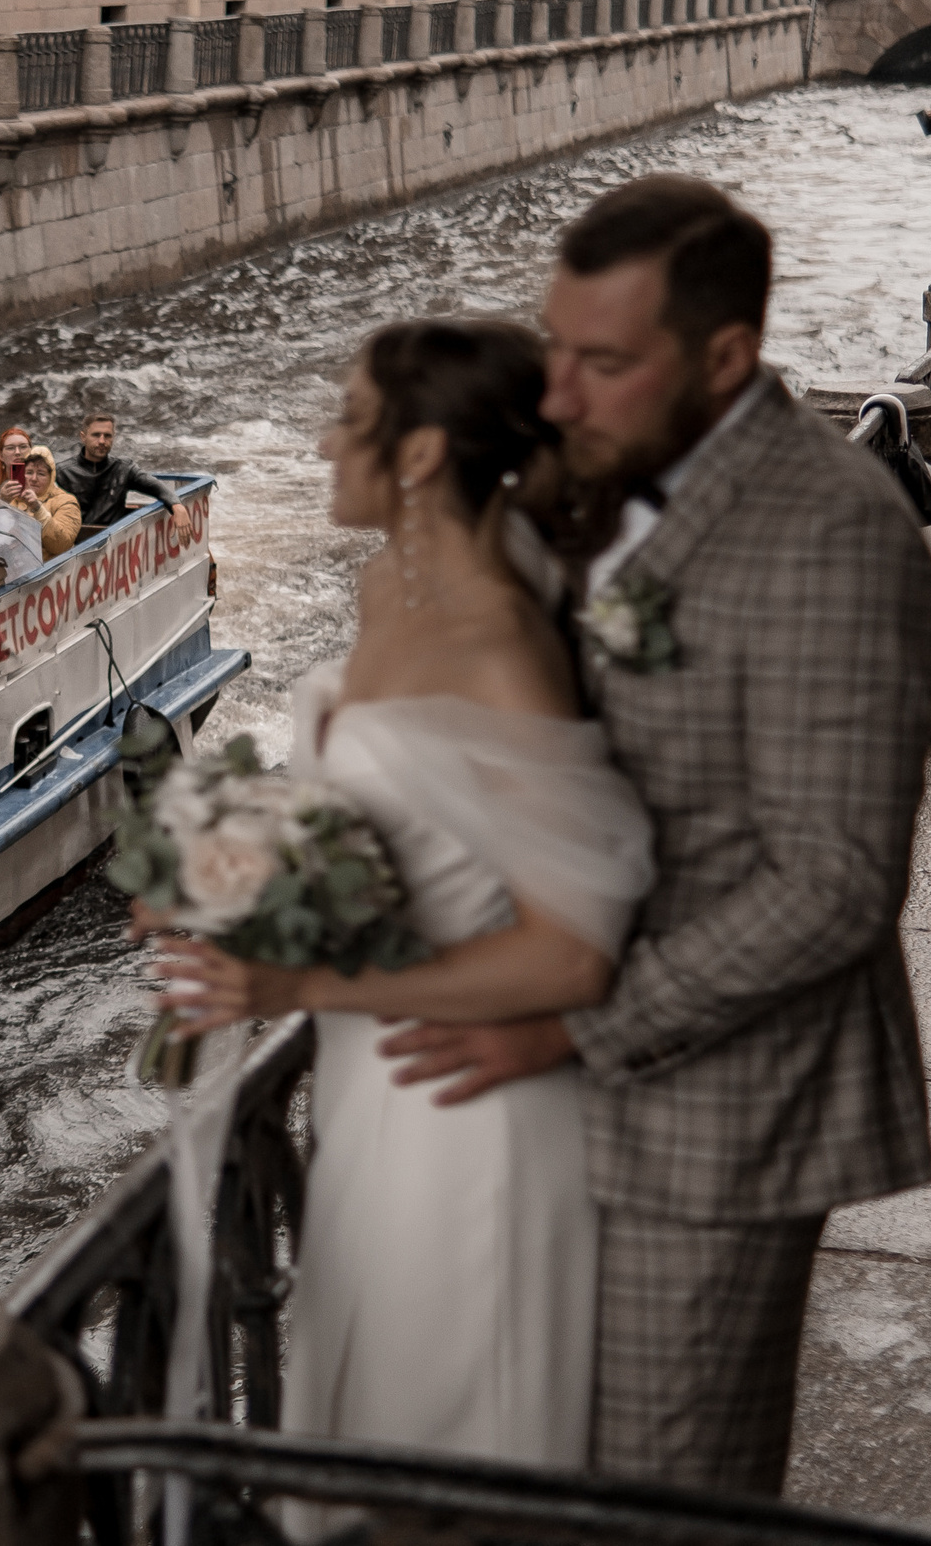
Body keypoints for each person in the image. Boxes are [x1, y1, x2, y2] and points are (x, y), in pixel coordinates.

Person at [292, 180, 931, 1497]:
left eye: (603, 361)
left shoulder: (828, 529)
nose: (562, 392)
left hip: (715, 1116)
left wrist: (572, 1024)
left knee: (659, 1500)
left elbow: (835, 883)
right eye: (557, 344)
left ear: (724, 358)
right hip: (555, 1093)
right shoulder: (593, 478)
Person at [145, 317, 655, 1502]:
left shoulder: (498, 644)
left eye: (349, 419)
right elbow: (378, 821)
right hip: (368, 1091)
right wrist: (229, 871)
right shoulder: (388, 587)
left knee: (445, 1459)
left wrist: (299, 984)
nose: (324, 444)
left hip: (467, 1107)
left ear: (420, 456)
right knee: (365, 1441)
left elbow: (572, 953)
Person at [55, 411, 193, 532]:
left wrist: (177, 506)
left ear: (113, 438)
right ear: (83, 437)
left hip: (115, 543)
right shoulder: (62, 472)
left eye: (107, 436)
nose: (102, 441)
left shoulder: (123, 468)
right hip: (74, 545)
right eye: (96, 435)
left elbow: (156, 487)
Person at [4, 444, 84, 558]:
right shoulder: (11, 497)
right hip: (12, 565)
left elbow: (61, 545)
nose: (34, 479)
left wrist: (37, 508)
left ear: (51, 477)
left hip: (50, 568)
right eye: (29, 472)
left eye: (41, 474)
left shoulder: (66, 502)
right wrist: (2, 501)